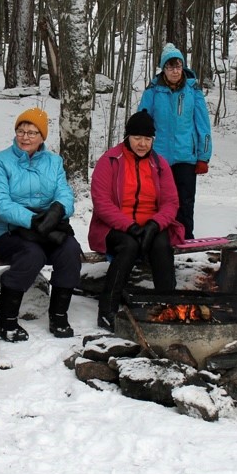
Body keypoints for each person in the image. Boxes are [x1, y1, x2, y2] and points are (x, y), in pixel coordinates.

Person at [0, 107, 81, 341]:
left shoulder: (54, 162)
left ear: (42, 137)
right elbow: (0, 203)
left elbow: (65, 194)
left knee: (70, 250)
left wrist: (58, 210)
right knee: (32, 255)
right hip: (7, 231)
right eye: (21, 131)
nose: (25, 137)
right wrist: (34, 220)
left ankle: (59, 316)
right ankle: (6, 321)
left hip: (47, 228)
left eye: (32, 132)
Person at [88, 111, 184, 330]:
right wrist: (129, 225)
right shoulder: (110, 161)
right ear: (127, 137)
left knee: (161, 244)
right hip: (114, 226)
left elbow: (171, 202)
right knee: (128, 246)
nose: (142, 144)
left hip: (151, 224)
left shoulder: (160, 164)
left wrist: (155, 224)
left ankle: (167, 305)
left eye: (147, 139)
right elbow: (102, 203)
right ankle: (107, 309)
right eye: (137, 138)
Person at [137, 42, 212, 239]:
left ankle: (186, 240)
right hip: (159, 158)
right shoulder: (153, 91)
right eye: (170, 67)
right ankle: (160, 240)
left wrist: (203, 156)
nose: (175, 71)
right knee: (158, 201)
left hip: (186, 157)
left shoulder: (193, 90)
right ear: (164, 69)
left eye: (178, 66)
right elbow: (141, 123)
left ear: (183, 67)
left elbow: (203, 124)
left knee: (185, 202)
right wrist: (139, 150)